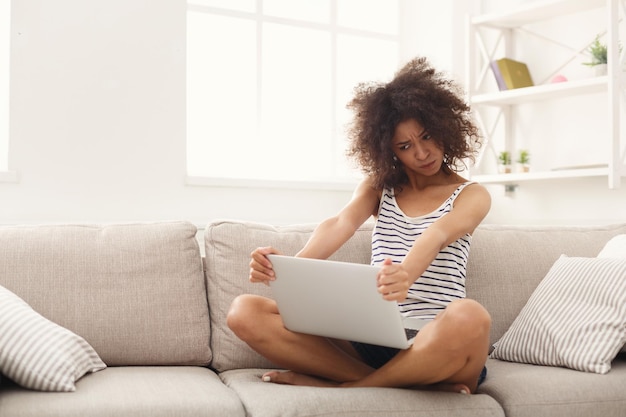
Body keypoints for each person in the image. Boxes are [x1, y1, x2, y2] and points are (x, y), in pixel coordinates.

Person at [227, 57, 492, 395]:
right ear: (388, 150)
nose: (422, 153)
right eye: (405, 146)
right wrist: (287, 270)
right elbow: (341, 222)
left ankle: (351, 386)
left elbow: (437, 234)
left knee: (470, 316)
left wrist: (406, 274)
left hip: (439, 341)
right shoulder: (380, 186)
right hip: (375, 337)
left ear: (443, 127)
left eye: (426, 136)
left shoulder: (472, 194)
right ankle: (374, 382)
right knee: (244, 310)